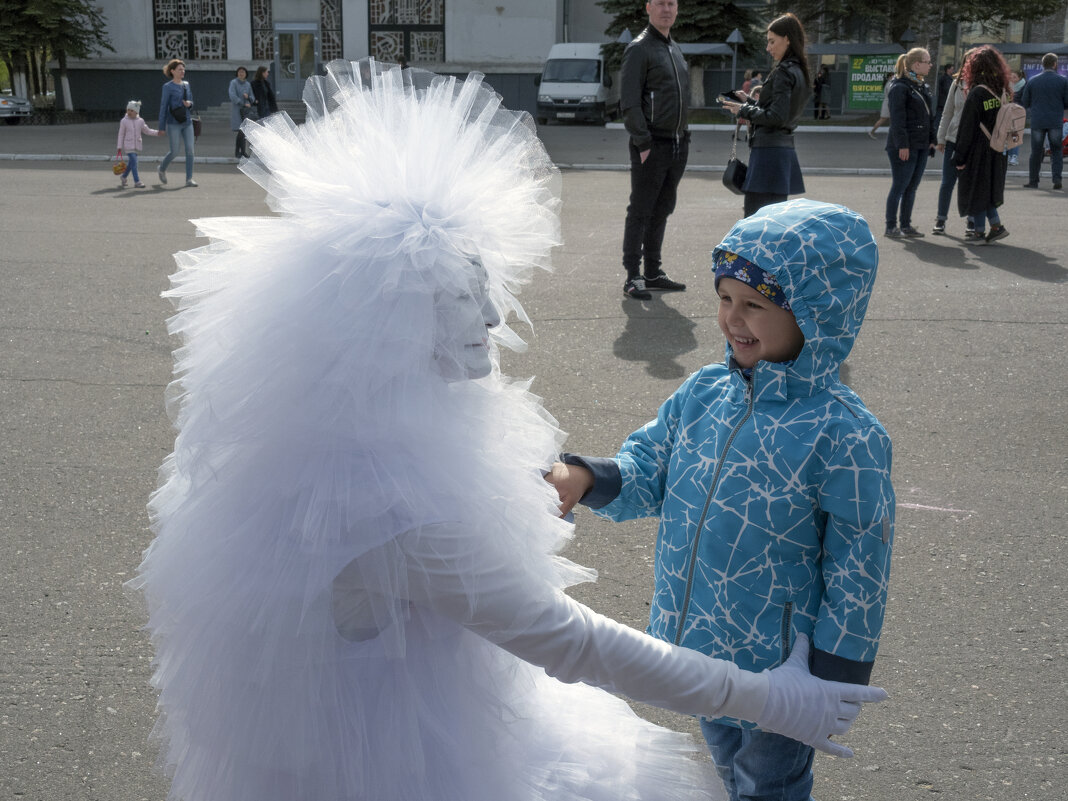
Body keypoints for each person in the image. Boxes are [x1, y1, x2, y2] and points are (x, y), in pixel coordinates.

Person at [130, 60, 887, 801]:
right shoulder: (385, 504)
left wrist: (585, 476)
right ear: (378, 323)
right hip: (398, 754)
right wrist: (774, 700)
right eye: (464, 293)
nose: (493, 315)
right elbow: (570, 639)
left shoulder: (342, 431)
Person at [547, 198, 895, 801]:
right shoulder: (705, 392)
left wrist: (833, 680)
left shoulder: (846, 435)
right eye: (725, 298)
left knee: (767, 783)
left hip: (784, 672)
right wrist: (585, 477)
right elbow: (650, 464)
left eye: (756, 305)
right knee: (728, 767)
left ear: (819, 315)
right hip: (704, 650)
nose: (733, 319)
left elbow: (859, 568)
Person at [618, 0, 690, 301]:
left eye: (671, 3)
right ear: (648, 7)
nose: (667, 9)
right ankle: (632, 276)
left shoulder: (674, 48)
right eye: (660, 3)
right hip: (652, 145)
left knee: (662, 209)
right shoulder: (639, 48)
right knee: (641, 210)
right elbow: (630, 102)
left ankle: (652, 272)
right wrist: (643, 143)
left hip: (677, 144)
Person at [720, 13, 811, 218]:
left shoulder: (783, 72)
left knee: (755, 222)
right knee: (774, 224)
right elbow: (779, 112)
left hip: (768, 154)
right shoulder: (799, 70)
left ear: (787, 39)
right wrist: (750, 102)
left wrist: (742, 110)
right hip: (782, 154)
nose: (768, 48)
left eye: (772, 41)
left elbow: (776, 116)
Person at [954, 45, 1013, 243]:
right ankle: (995, 226)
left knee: (976, 189)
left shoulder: (978, 92)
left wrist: (959, 156)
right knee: (987, 189)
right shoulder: (1003, 89)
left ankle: (979, 231)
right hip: (998, 148)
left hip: (979, 149)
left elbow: (967, 128)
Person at [883, 47, 935, 238]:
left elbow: (929, 117)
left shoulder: (921, 86)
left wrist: (931, 140)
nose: (930, 65)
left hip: (920, 144)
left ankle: (906, 225)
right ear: (916, 64)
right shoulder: (899, 87)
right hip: (904, 146)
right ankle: (890, 226)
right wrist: (902, 145)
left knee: (911, 187)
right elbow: (897, 120)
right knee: (900, 186)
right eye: (927, 61)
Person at [932, 53, 977, 237]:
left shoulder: (984, 84)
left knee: (971, 184)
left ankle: (972, 222)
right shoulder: (956, 83)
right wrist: (941, 138)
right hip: (953, 139)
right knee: (947, 183)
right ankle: (941, 220)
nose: (969, 66)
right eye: (967, 63)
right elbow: (947, 111)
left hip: (975, 142)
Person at [1020, 52, 1068, 190]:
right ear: (1054, 64)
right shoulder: (1063, 80)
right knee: (1057, 150)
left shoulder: (1033, 80)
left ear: (1043, 64)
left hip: (1038, 120)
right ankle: (1057, 180)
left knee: (1036, 152)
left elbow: (1025, 101)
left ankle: (1033, 181)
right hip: (1055, 120)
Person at [158, 58, 197, 187]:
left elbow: (191, 101)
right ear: (172, 71)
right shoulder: (167, 87)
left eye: (183, 69)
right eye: (180, 69)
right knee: (174, 151)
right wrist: (161, 127)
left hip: (187, 122)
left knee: (190, 150)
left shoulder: (187, 84)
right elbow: (163, 106)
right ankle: (162, 169)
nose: (183, 71)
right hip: (173, 123)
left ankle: (189, 179)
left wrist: (189, 104)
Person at [115, 100, 160, 189]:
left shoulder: (140, 121)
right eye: (128, 110)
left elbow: (147, 131)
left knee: (131, 163)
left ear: (136, 111)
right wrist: (119, 146)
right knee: (134, 162)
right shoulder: (124, 121)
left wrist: (158, 133)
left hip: (137, 146)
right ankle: (137, 181)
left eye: (131, 110)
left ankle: (123, 177)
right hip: (128, 145)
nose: (129, 112)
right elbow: (121, 134)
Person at [229, 66, 256, 159]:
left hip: (246, 111)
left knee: (243, 131)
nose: (241, 74)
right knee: (240, 130)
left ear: (246, 74)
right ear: (237, 73)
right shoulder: (233, 83)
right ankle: (239, 151)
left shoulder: (248, 84)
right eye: (239, 72)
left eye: (243, 72)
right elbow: (232, 95)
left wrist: (248, 98)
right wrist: (241, 102)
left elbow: (252, 97)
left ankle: (241, 152)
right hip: (237, 110)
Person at [1005, 70, 1027, 165]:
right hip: (1007, 113)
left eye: (1014, 77)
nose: (1012, 80)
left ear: (1019, 78)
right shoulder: (1007, 87)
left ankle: (1014, 156)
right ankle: (1009, 155)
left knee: (1015, 135)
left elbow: (1025, 101)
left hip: (1018, 114)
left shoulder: (1024, 87)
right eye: (1011, 77)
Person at [868, 70, 897, 138]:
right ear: (890, 77)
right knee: (883, 119)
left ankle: (892, 134)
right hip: (888, 103)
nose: (895, 77)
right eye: (893, 75)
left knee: (892, 119)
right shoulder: (890, 84)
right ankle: (872, 132)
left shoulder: (890, 83)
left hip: (889, 103)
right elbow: (891, 94)